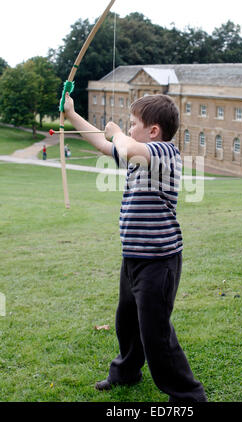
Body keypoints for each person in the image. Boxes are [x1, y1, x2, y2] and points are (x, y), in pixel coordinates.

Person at [63, 92, 207, 402]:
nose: (128, 130)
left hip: (160, 261)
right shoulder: (137, 156)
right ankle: (126, 372)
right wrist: (72, 114)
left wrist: (117, 134)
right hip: (133, 258)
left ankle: (188, 396)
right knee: (126, 322)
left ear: (153, 130)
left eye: (133, 125)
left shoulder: (165, 154)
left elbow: (121, 144)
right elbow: (104, 144)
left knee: (156, 333)